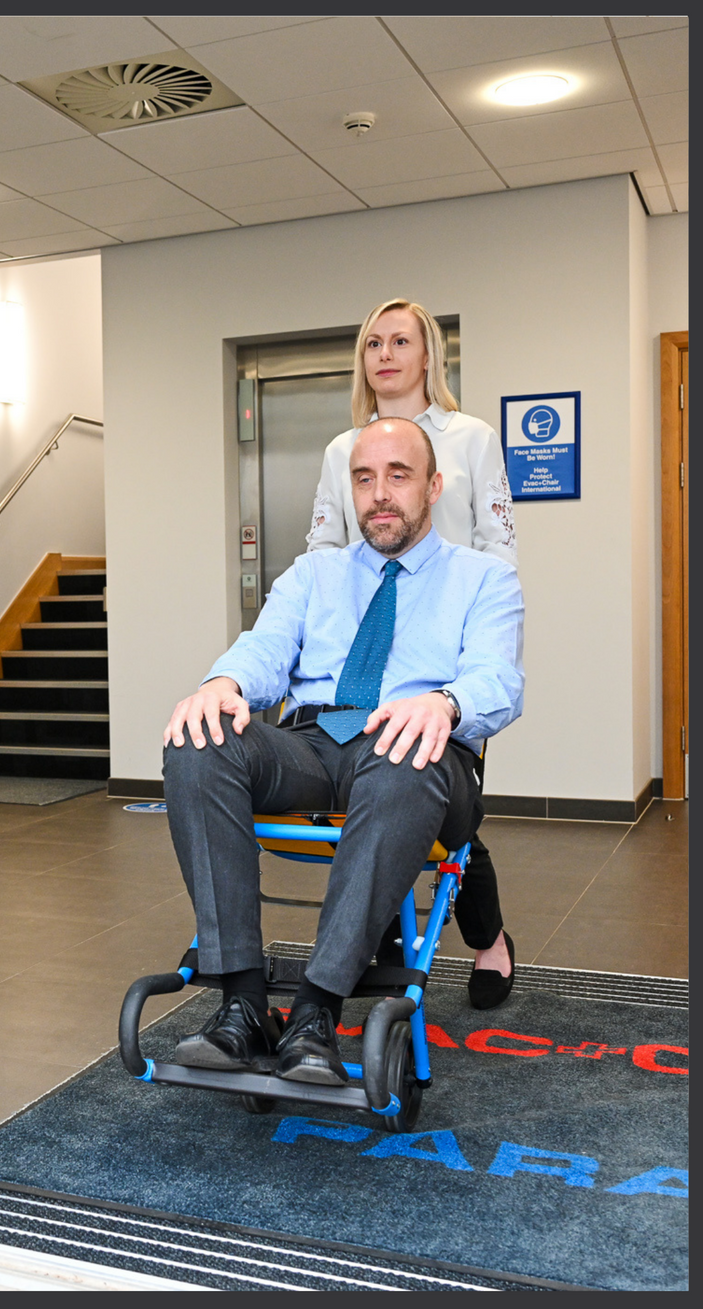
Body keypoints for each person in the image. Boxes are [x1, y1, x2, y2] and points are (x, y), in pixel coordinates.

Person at [162, 418, 523, 1084]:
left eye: (398, 475)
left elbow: (499, 680)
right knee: (199, 736)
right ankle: (242, 1002)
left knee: (404, 753)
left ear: (435, 486)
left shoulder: (482, 579)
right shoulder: (313, 573)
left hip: (416, 746)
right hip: (312, 744)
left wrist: (442, 702)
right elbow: (264, 650)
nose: (379, 494)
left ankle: (315, 1009)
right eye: (364, 478)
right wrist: (223, 682)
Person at [307, 297, 517, 1008]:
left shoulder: (471, 437)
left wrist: (487, 653)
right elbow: (323, 554)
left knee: (449, 806)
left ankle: (487, 937)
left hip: (446, 652)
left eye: (402, 340)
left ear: (430, 355)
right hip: (369, 654)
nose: (386, 353)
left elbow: (499, 548)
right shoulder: (343, 450)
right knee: (381, 791)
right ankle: (385, 935)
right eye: (373, 343)